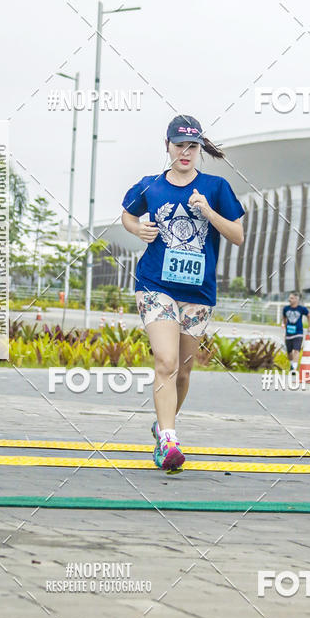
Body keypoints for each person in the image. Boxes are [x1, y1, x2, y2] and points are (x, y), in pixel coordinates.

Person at [121, 115, 245, 473]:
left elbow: (237, 235)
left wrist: (207, 211)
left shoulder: (216, 187)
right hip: (154, 286)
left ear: (199, 148)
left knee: (184, 373)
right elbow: (127, 216)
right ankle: (170, 442)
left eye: (192, 146)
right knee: (166, 362)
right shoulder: (150, 186)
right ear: (167, 146)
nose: (186, 152)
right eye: (179, 145)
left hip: (198, 293)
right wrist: (137, 228)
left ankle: (162, 427)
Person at [282, 292, 310, 373]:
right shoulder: (286, 309)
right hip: (288, 333)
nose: (289, 300)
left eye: (291, 298)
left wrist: (309, 326)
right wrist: (284, 325)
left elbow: (309, 315)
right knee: (289, 352)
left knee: (296, 350)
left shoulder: (301, 309)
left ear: (296, 299)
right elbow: (284, 317)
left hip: (298, 332)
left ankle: (294, 368)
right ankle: (292, 364)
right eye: (289, 298)